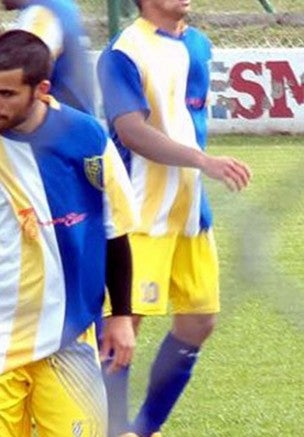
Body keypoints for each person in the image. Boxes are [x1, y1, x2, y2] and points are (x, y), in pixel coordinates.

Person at [0, 29, 137, 436]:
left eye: (6, 94)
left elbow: (115, 231)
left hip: (69, 335)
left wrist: (121, 314)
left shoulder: (88, 137)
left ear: (42, 89)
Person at [96, 1, 252, 436]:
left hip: (190, 213)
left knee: (199, 321)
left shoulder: (199, 45)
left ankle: (144, 428)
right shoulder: (123, 51)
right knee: (122, 326)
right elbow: (131, 131)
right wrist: (203, 161)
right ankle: (110, 428)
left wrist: (199, 168)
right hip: (141, 214)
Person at [0, 0, 95, 114]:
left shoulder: (42, 14)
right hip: (67, 122)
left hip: (57, 128)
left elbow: (14, 75)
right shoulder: (57, 6)